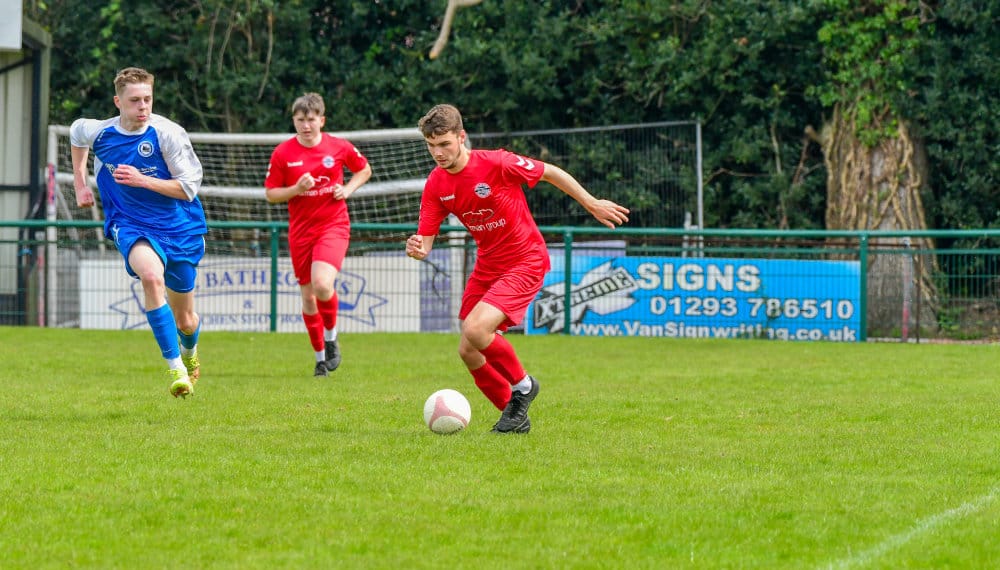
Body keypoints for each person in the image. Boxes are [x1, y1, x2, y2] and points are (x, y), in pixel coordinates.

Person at [406, 104, 630, 433]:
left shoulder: (497, 162)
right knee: (468, 350)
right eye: (431, 145)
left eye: (444, 144)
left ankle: (524, 386)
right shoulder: (437, 184)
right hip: (488, 265)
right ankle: (514, 418)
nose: (438, 153)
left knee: (476, 330)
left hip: (525, 259)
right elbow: (425, 242)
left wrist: (591, 203)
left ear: (461, 137)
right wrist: (417, 249)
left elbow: (550, 172)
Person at [70, 67, 206, 399]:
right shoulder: (101, 132)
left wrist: (143, 180)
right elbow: (76, 133)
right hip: (129, 223)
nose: (143, 106)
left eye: (147, 99)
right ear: (118, 102)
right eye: (134, 100)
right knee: (151, 278)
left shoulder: (168, 134)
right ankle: (176, 369)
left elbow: (188, 188)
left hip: (179, 226)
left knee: (186, 320)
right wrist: (80, 183)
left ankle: (189, 353)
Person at [265, 93, 373, 377]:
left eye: (311, 119)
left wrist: (347, 190)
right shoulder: (283, 153)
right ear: (294, 121)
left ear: (321, 120)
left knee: (322, 285)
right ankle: (320, 360)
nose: (306, 125)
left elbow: (364, 169)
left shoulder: (338, 147)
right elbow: (271, 194)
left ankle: (332, 337)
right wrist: (296, 189)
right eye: (300, 120)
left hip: (333, 225)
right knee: (308, 298)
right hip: (301, 232)